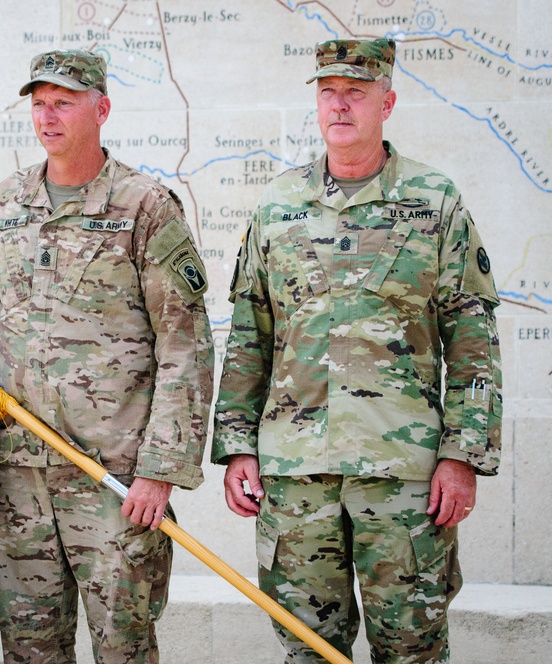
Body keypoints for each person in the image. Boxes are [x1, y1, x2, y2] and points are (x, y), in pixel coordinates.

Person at [212, 38, 502, 663]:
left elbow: (473, 339)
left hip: (405, 479)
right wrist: (237, 445)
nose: (339, 106)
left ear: (387, 102)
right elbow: (249, 334)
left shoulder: (435, 202)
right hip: (295, 476)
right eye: (328, 93)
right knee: (308, 650)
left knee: (412, 651)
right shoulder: (277, 206)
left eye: (356, 92)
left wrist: (462, 456)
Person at [0, 49, 214, 663]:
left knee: (122, 648)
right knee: (28, 650)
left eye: (64, 103)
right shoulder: (7, 201)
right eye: (39, 104)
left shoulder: (144, 207)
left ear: (101, 109)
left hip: (113, 478)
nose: (48, 117)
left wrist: (160, 469)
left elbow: (186, 343)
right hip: (16, 475)